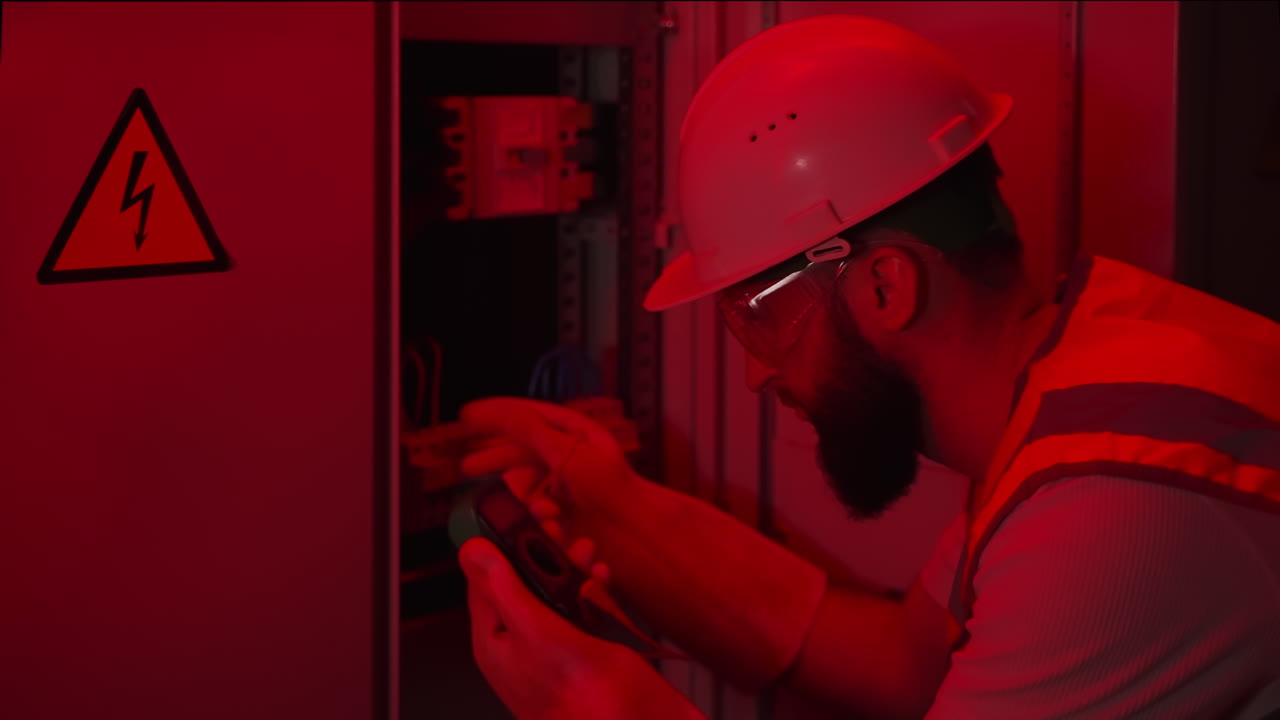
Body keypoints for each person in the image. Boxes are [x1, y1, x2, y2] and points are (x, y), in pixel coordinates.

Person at [454, 14, 1280, 720]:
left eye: (760, 319)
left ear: (885, 285)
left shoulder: (1109, 506)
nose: (756, 378)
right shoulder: (1090, 370)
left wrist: (596, 706)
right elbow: (904, 661)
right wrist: (616, 514)